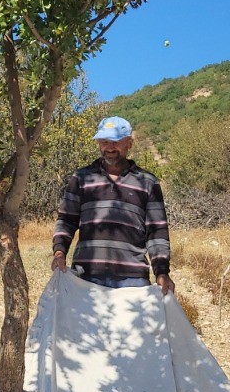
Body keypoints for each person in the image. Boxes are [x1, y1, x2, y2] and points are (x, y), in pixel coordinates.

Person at [51, 115, 174, 295]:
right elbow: (66, 221)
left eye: (116, 142)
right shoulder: (81, 178)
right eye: (104, 141)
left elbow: (157, 232)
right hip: (86, 275)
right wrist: (59, 252)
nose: (109, 147)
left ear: (129, 144)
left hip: (133, 278)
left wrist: (162, 271)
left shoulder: (148, 182)